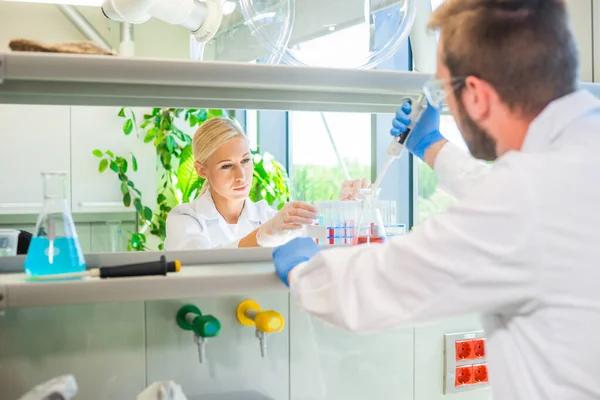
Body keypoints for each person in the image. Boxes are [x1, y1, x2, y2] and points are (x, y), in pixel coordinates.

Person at [272, 1, 600, 399]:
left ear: (476, 95)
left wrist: (305, 271)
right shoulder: (573, 161)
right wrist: (432, 146)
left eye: (444, 90)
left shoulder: (527, 199)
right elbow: (530, 212)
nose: (444, 103)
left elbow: (378, 287)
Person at [165, 117, 365, 250]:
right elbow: (203, 263)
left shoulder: (264, 215)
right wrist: (265, 235)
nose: (241, 176)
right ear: (202, 170)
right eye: (227, 166)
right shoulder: (184, 218)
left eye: (245, 160)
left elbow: (316, 241)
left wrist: (343, 209)